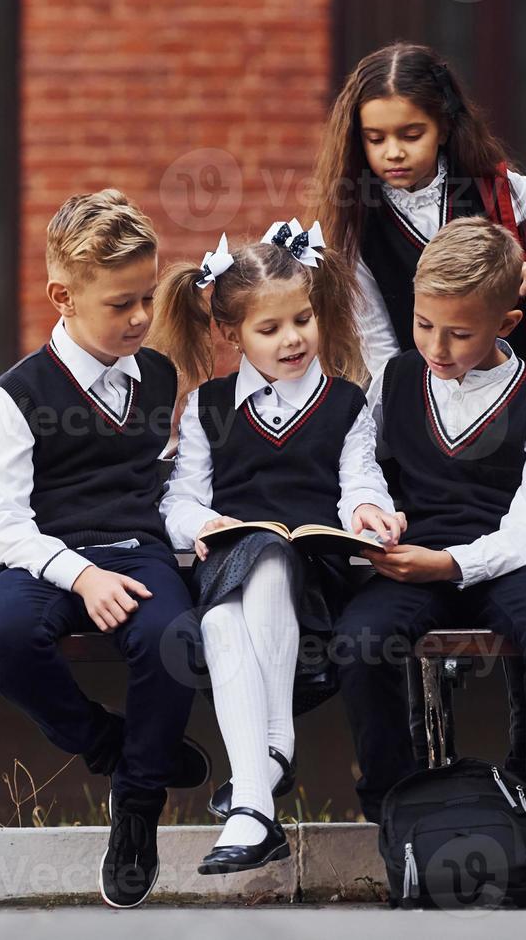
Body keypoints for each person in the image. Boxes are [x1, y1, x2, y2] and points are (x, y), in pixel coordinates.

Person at [334, 217, 526, 881]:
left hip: (507, 561)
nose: (436, 347)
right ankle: (395, 806)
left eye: (458, 332)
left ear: (504, 323)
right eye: (424, 325)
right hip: (412, 556)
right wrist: (365, 509)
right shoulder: (394, 380)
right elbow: (359, 457)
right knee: (359, 641)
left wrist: (450, 565)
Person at [0, 189, 209, 909]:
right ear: (62, 297)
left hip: (136, 550)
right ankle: (112, 745)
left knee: (175, 636)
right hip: (45, 556)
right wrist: (81, 577)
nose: (140, 317)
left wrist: (190, 524)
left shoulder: (160, 376)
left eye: (146, 298)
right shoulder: (17, 396)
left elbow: (160, 486)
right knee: (5, 636)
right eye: (119, 304)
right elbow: (3, 524)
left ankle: (137, 803)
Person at [154, 220, 404, 875]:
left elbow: (360, 485)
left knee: (268, 559)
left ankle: (258, 785)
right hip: (231, 569)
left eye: (302, 319)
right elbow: (179, 499)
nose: (292, 338)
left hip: (315, 587)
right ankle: (264, 777)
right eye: (270, 329)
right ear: (230, 335)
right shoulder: (208, 407)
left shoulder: (346, 404)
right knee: (226, 603)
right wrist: (198, 525)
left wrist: (370, 511)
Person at [312, 41, 526, 382]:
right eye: (375, 139)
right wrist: (403, 402)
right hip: (430, 393)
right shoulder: (357, 220)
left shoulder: (485, 185)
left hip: (521, 380)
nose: (393, 152)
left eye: (411, 135)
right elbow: (376, 336)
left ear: (442, 128)